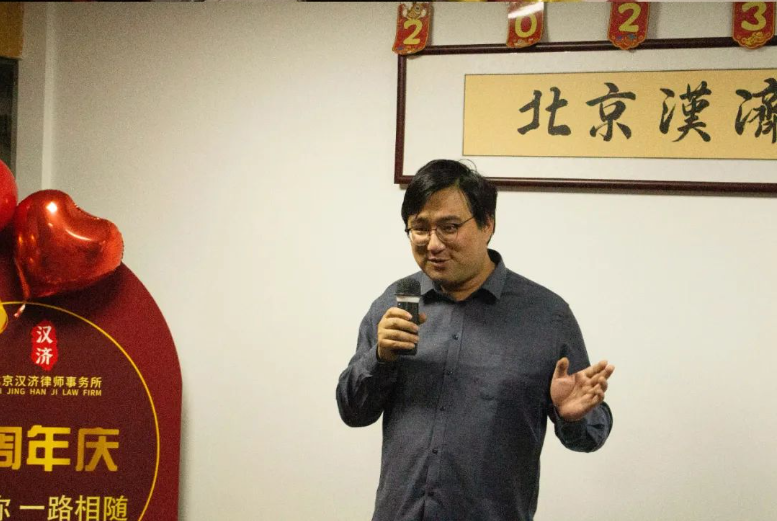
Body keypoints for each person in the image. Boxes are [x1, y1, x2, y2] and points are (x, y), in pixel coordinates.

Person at [336, 159, 614, 521]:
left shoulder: (547, 316)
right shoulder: (394, 304)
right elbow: (353, 412)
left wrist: (573, 416)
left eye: (449, 227)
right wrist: (380, 358)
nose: (433, 244)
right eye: (419, 228)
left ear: (487, 224)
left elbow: (590, 435)